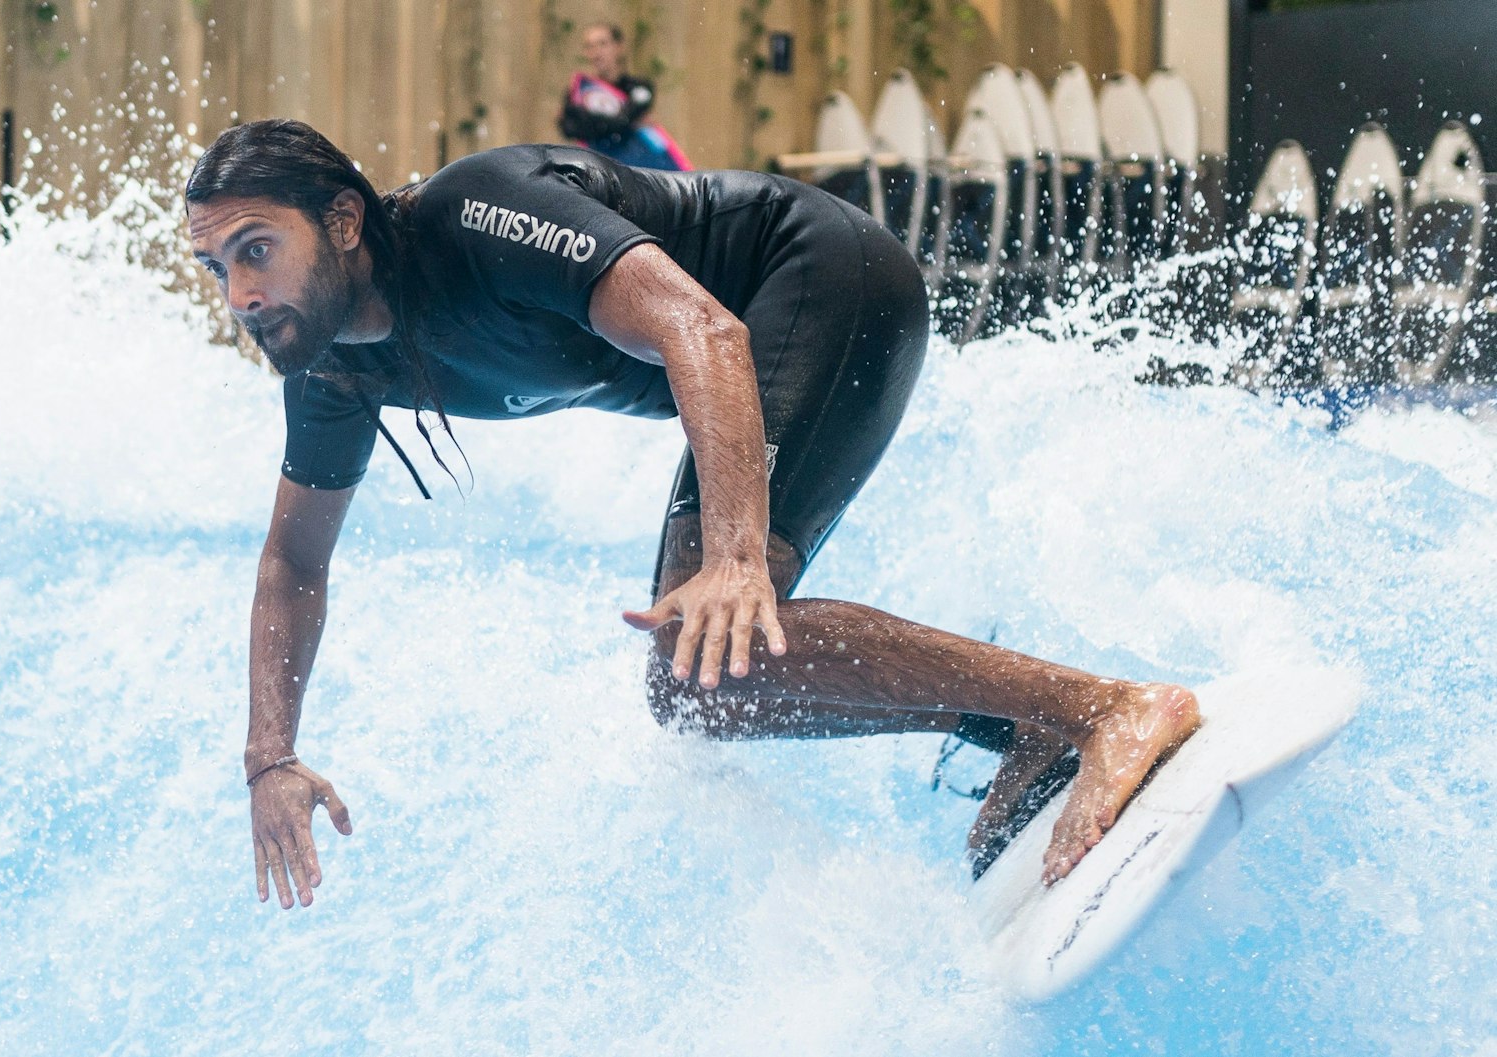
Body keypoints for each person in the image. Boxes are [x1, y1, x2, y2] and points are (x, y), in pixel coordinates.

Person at [184, 119, 1200, 911]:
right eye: (218, 267)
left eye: (256, 249)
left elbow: (697, 323)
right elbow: (292, 562)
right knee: (694, 688)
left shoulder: (478, 213)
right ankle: (1019, 720)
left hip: (819, 281)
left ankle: (1107, 706)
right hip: (737, 359)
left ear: (346, 221)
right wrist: (269, 757)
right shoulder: (333, 370)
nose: (238, 291)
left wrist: (735, 559)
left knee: (716, 638)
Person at [557, 22, 692, 172]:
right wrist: (626, 123)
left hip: (637, 171)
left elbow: (622, 119)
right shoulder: (579, 91)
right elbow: (569, 128)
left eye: (602, 44)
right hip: (599, 171)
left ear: (618, 47)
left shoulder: (640, 87)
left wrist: (588, 120)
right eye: (590, 46)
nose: (596, 52)